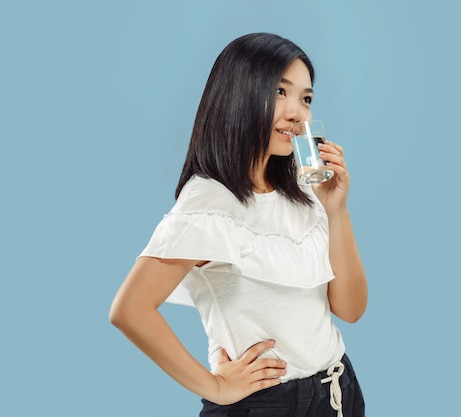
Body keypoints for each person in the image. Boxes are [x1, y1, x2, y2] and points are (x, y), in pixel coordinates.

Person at [109, 32, 368, 417]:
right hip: (268, 405)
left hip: (339, 389)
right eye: (281, 92)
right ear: (239, 94)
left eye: (306, 98)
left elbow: (349, 309)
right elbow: (129, 310)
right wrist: (215, 386)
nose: (297, 112)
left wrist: (337, 209)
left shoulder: (302, 185)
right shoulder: (209, 203)